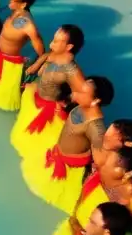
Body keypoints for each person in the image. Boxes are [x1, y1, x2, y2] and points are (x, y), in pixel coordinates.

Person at [21, 75, 115, 213]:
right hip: (58, 154)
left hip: (70, 169)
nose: (76, 92)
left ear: (96, 100)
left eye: (82, 92)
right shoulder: (81, 105)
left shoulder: (95, 126)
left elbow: (100, 159)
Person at [10, 24, 87, 159]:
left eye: (56, 41)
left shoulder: (71, 70)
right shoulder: (55, 54)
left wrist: (65, 104)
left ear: (69, 47)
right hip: (37, 98)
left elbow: (85, 96)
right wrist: (36, 65)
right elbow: (47, 55)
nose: (51, 44)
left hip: (51, 110)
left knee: (41, 148)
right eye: (53, 39)